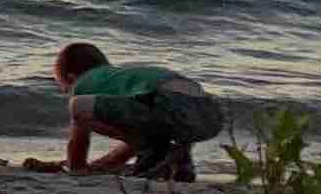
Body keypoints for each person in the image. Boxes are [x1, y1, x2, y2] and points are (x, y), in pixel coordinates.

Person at [54, 41, 225, 180]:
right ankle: (178, 162)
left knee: (77, 106)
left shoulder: (83, 82)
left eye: (64, 88)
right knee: (151, 134)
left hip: (169, 102)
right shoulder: (120, 78)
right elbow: (134, 140)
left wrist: (76, 167)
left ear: (71, 78)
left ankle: (166, 155)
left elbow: (77, 141)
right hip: (210, 113)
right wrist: (103, 165)